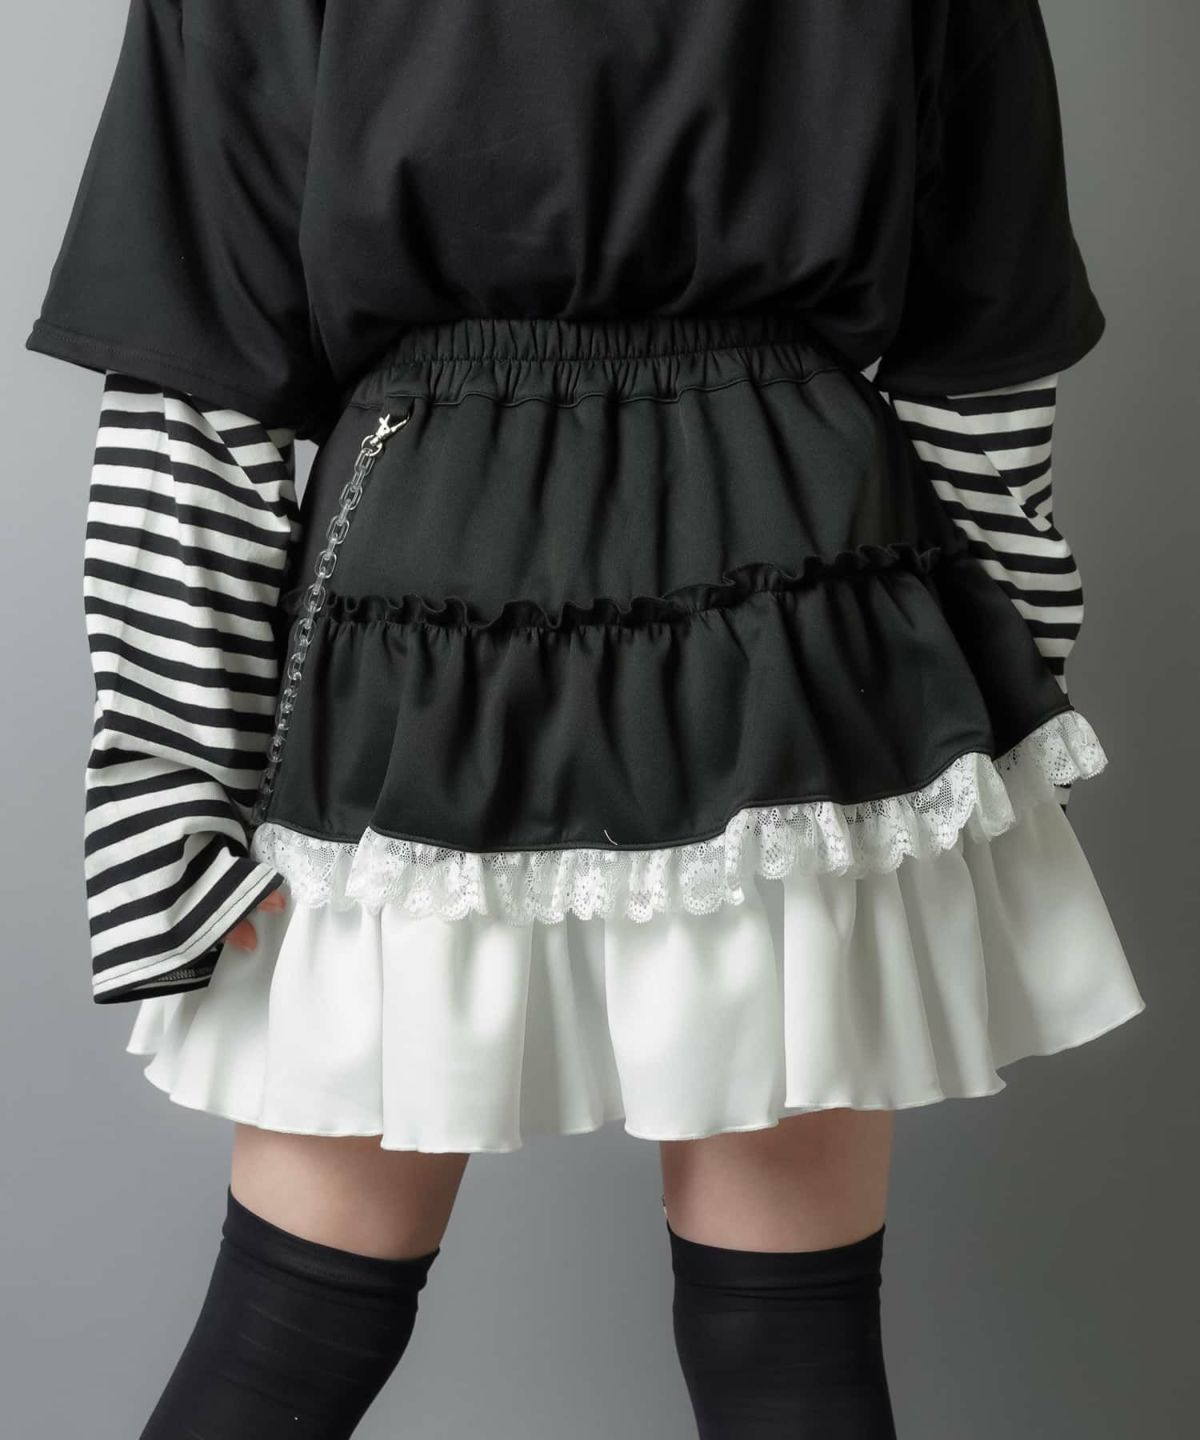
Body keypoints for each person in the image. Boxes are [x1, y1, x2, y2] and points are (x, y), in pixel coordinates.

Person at [27, 3, 1146, 1436]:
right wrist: (991, 692)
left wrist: (171, 771)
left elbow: (195, 376)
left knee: (292, 1325)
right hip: (801, 595)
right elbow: (984, 371)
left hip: (433, 597)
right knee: (789, 1344)